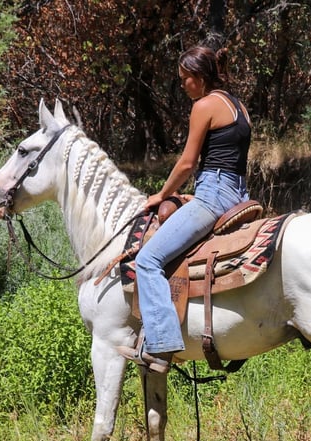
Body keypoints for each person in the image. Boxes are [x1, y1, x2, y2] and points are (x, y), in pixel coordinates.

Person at [117, 44, 252, 374]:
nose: (182, 86)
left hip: (214, 196)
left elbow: (188, 163)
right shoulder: (240, 107)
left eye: (184, 79)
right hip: (239, 193)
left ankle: (160, 347)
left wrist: (162, 193)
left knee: (148, 259)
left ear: (199, 77)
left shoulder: (204, 105)